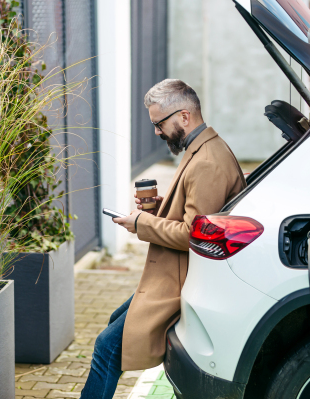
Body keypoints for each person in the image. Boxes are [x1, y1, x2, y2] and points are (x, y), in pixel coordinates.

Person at [79, 79, 247, 399]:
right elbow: (195, 217)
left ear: (184, 117)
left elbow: (193, 235)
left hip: (180, 281)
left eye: (159, 123)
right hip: (173, 275)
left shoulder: (208, 161)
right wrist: (155, 210)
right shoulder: (202, 149)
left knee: (107, 348)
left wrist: (142, 222)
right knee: (118, 323)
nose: (157, 131)